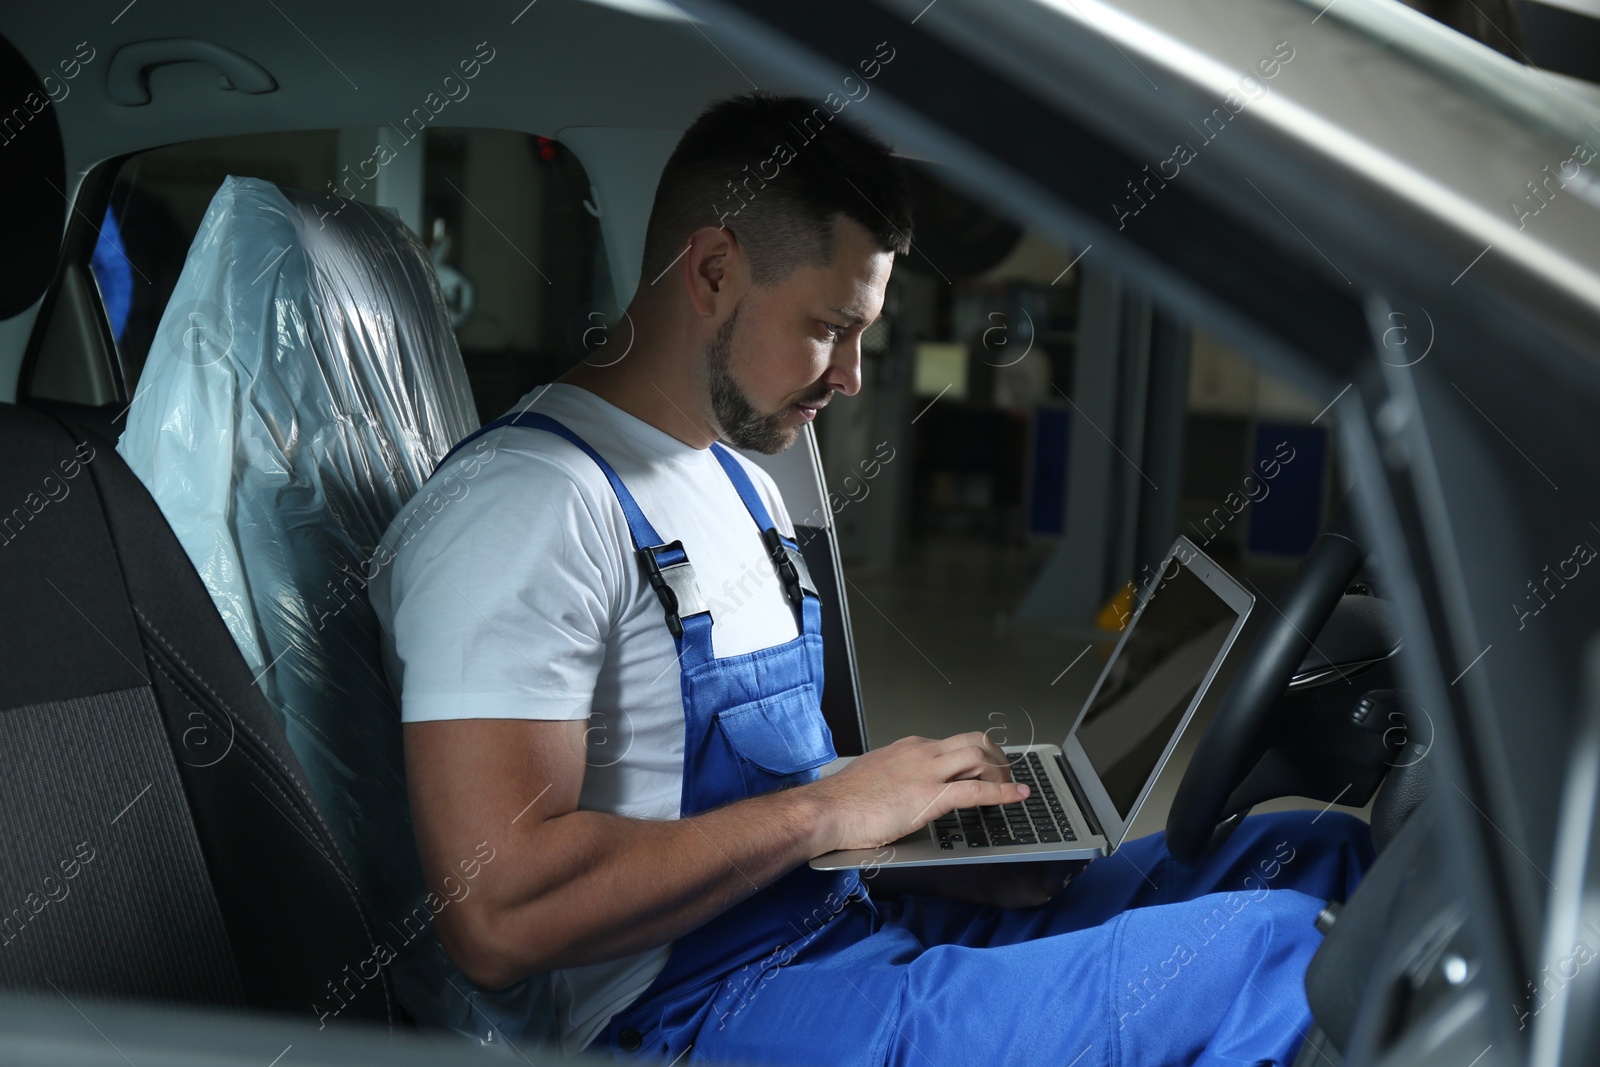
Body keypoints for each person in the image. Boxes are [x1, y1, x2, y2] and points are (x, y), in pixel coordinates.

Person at [369, 91, 1374, 1066]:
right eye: (828, 326)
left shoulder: (735, 480)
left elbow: (767, 807)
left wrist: (929, 838)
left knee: (1304, 858)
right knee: (1276, 958)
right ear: (712, 269)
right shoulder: (526, 508)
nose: (851, 375)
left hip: (846, 925)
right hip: (696, 1016)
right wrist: (828, 810)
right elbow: (494, 911)